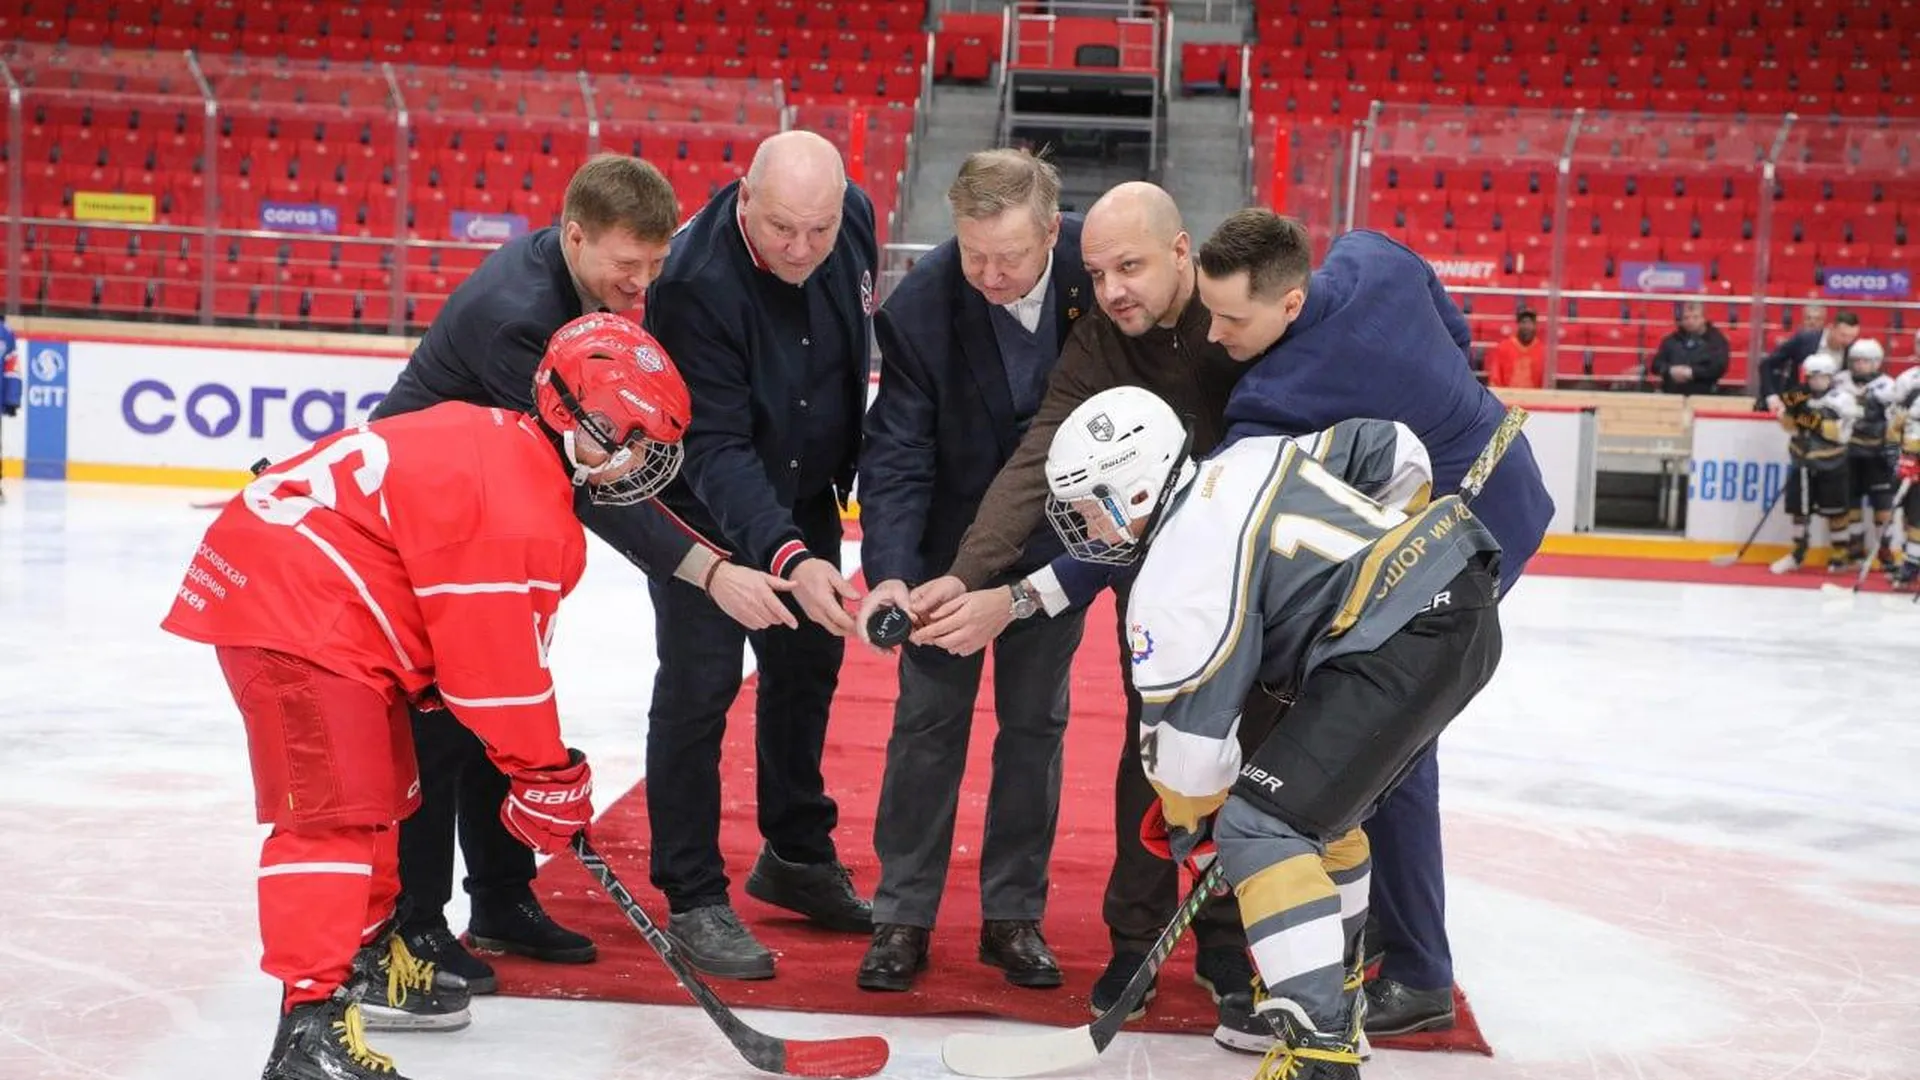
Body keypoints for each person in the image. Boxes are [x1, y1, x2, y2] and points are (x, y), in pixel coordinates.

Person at [159, 314, 693, 1080]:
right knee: (333, 818)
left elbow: (468, 644)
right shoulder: (518, 499)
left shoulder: (509, 449)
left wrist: (533, 762)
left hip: (320, 593)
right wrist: (547, 772)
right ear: (568, 411)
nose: (638, 457)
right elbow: (498, 675)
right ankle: (309, 1023)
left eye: (649, 443)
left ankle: (367, 958)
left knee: (387, 795)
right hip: (298, 606)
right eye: (627, 433)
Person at [370, 155, 798, 994]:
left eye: (653, 265)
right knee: (439, 727)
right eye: (624, 266)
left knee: (495, 710)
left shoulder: (586, 292)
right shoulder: (519, 323)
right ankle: (411, 927)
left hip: (487, 519)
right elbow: (594, 486)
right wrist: (709, 571)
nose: (641, 285)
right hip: (420, 529)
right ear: (573, 235)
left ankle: (498, 897)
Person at [1038, 385, 1503, 1080]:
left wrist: (1194, 834)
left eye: (1087, 508)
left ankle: (1320, 1054)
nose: (1085, 528)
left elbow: (1192, 761)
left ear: (1134, 493)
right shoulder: (1249, 457)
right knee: (1322, 826)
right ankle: (1334, 1003)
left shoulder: (1172, 577)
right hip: (1459, 600)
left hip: (1397, 644)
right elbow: (1392, 448)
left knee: (1259, 829)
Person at [907, 180, 1261, 1045]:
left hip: (1255, 574)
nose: (1112, 291)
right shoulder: (1101, 342)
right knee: (1151, 756)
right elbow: (1039, 462)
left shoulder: (1239, 324)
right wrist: (967, 572)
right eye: (1098, 273)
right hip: (1153, 581)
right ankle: (1135, 942)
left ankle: (1228, 948)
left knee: (1245, 764)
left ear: (1183, 253)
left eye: (1131, 268)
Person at [1193, 208, 1553, 1037]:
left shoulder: (1274, 397)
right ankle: (1386, 920)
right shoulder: (1373, 254)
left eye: (1231, 318)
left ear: (1288, 304)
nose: (1214, 335)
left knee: (1391, 736)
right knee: (1385, 730)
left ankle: (1421, 972)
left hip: (1466, 534)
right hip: (1508, 473)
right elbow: (1454, 331)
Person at [851, 149, 1094, 992]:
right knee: (926, 731)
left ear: (1052, 234)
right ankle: (901, 917)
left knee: (1035, 731)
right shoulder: (921, 306)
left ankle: (1012, 915)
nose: (988, 274)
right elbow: (898, 452)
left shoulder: (1094, 279)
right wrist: (889, 570)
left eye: (1009, 257)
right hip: (945, 560)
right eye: (972, 253)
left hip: (1058, 552)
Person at [638, 130, 878, 979]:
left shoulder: (849, 216)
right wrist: (782, 555)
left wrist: (839, 521)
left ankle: (797, 856)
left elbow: (848, 358)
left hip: (807, 490)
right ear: (744, 198)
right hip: (704, 512)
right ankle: (695, 894)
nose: (803, 249)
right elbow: (715, 446)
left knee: (808, 666)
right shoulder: (693, 283)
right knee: (700, 688)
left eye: (818, 230)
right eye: (782, 229)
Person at [1772, 354, 1861, 574]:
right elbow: (1789, 427)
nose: (1816, 381)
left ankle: (1840, 554)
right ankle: (1798, 553)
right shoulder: (1798, 396)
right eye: (1812, 377)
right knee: (1799, 510)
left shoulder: (1843, 399)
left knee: (1837, 511)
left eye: (1821, 377)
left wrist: (1806, 419)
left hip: (1832, 462)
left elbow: (1839, 433)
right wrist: (1789, 415)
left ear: (1830, 377)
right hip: (1801, 459)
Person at [1833, 338, 1898, 572]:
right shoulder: (1839, 381)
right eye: (1855, 360)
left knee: (1883, 507)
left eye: (1865, 361)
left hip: (1876, 456)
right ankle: (1855, 549)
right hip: (1848, 453)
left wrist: (1892, 450)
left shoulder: (1888, 386)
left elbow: (1894, 421)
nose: (1859, 365)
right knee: (1851, 505)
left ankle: (1884, 550)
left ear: (1876, 362)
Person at [1755, 310, 1859, 413]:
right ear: (1831, 328)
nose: (1847, 341)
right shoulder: (1805, 339)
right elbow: (1767, 364)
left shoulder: (1852, 350)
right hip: (1795, 402)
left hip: (1831, 407)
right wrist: (1771, 396)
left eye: (1852, 337)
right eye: (1843, 335)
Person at [1646, 301, 1731, 396]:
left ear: (1704, 319)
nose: (1690, 321)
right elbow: (1656, 365)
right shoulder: (1671, 340)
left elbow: (1718, 367)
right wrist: (1670, 370)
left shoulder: (1716, 341)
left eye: (1695, 317)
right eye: (1686, 318)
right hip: (1671, 394)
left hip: (1704, 394)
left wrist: (1692, 372)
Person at [1482, 309, 1545, 389]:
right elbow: (1495, 377)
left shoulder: (1542, 350)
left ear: (1535, 325)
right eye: (1523, 322)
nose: (1527, 327)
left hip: (1535, 396)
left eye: (1530, 323)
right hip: (1508, 395)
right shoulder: (1504, 347)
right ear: (1518, 325)